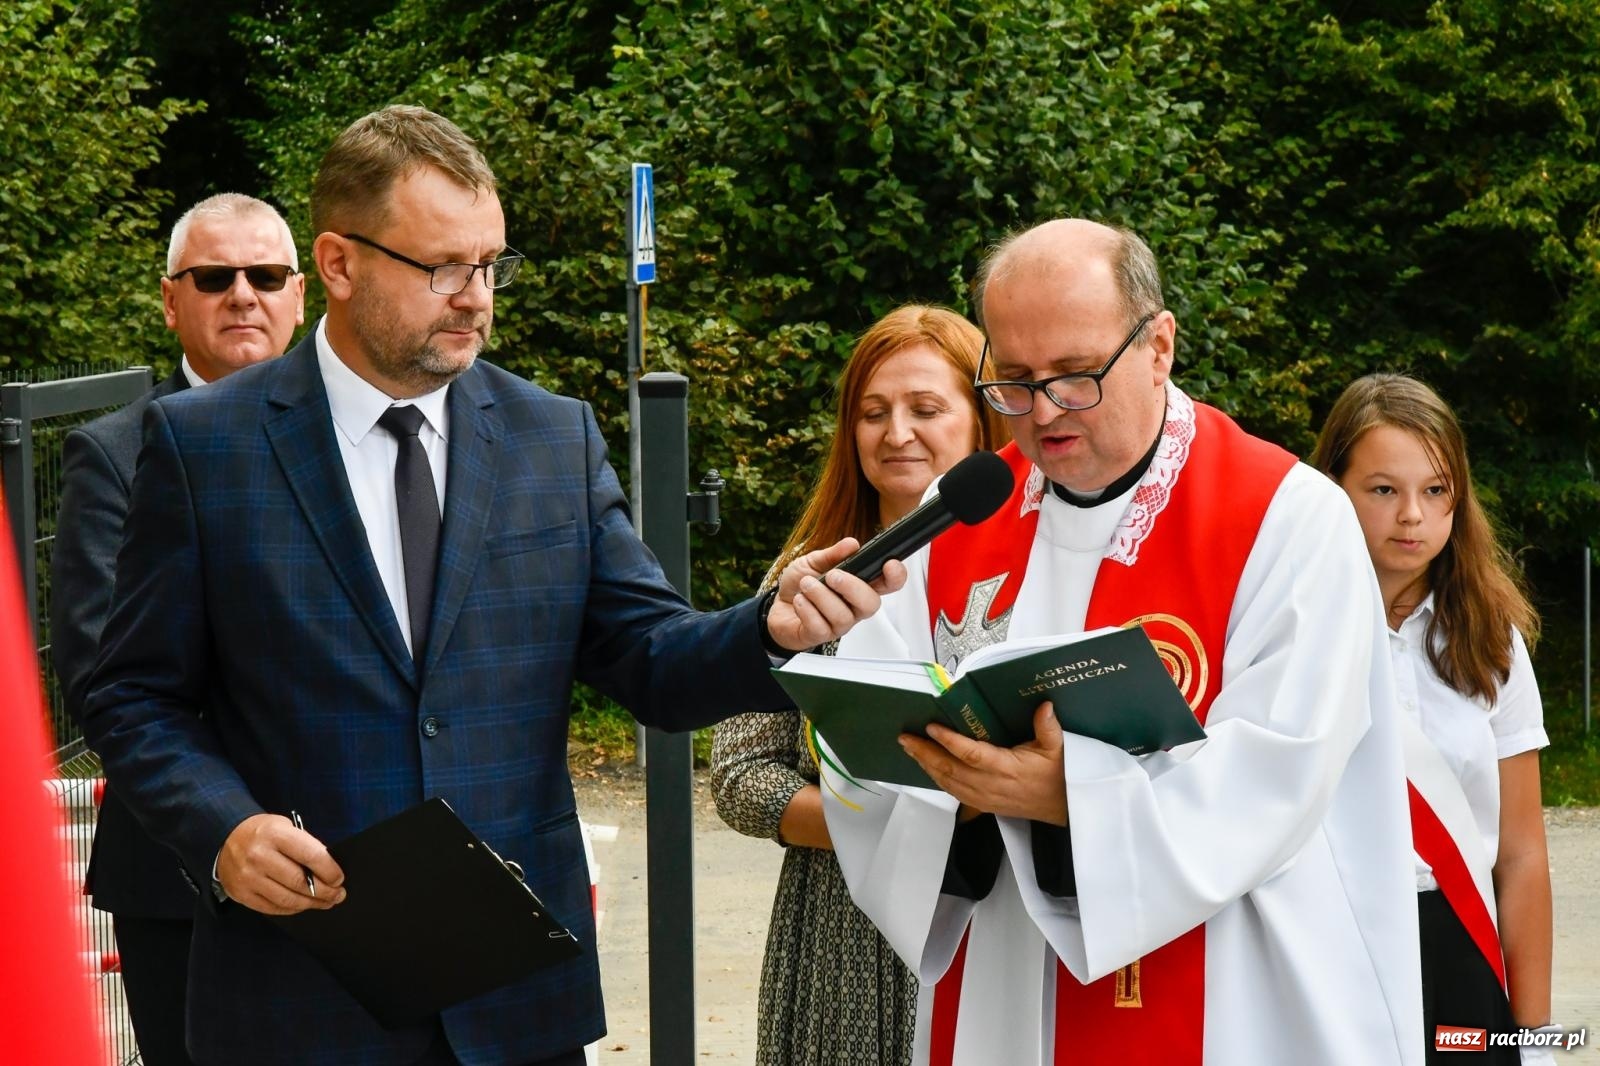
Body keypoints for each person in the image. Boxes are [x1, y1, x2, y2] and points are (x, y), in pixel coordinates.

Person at [79, 105, 895, 1066]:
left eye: (491, 264)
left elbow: (651, 658)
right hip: (298, 993)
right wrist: (224, 830)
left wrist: (771, 629)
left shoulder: (552, 436)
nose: (475, 297)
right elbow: (132, 694)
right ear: (337, 264)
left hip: (513, 1000)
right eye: (443, 267)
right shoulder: (204, 446)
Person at [820, 218, 1424, 1065]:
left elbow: (1281, 769)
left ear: (1158, 346)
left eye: (1075, 376)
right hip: (1002, 987)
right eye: (1014, 382)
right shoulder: (957, 518)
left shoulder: (1286, 517)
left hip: (1232, 997)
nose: (1042, 412)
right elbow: (863, 755)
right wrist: (948, 783)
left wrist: (1073, 798)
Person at [710, 304, 1008, 1066]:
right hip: (842, 937)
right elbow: (740, 776)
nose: (897, 432)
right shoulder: (810, 581)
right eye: (873, 413)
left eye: (926, 409)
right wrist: (895, 830)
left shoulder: (1036, 572)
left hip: (1001, 919)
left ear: (981, 422)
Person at [51, 192, 306, 1066]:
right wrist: (230, 820)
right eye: (213, 277)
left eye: (265, 275)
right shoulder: (114, 453)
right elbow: (98, 669)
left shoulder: (359, 441)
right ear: (170, 301)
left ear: (300, 294)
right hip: (180, 877)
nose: (243, 295)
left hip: (352, 861)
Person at [1312, 374, 1553, 1064]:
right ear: (1331, 490)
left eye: (1436, 489)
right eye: (1383, 489)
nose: (1412, 515)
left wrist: (1533, 1037)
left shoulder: (1491, 640)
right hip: (1332, 943)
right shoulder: (1288, 631)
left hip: (1459, 951)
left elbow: (1521, 854)